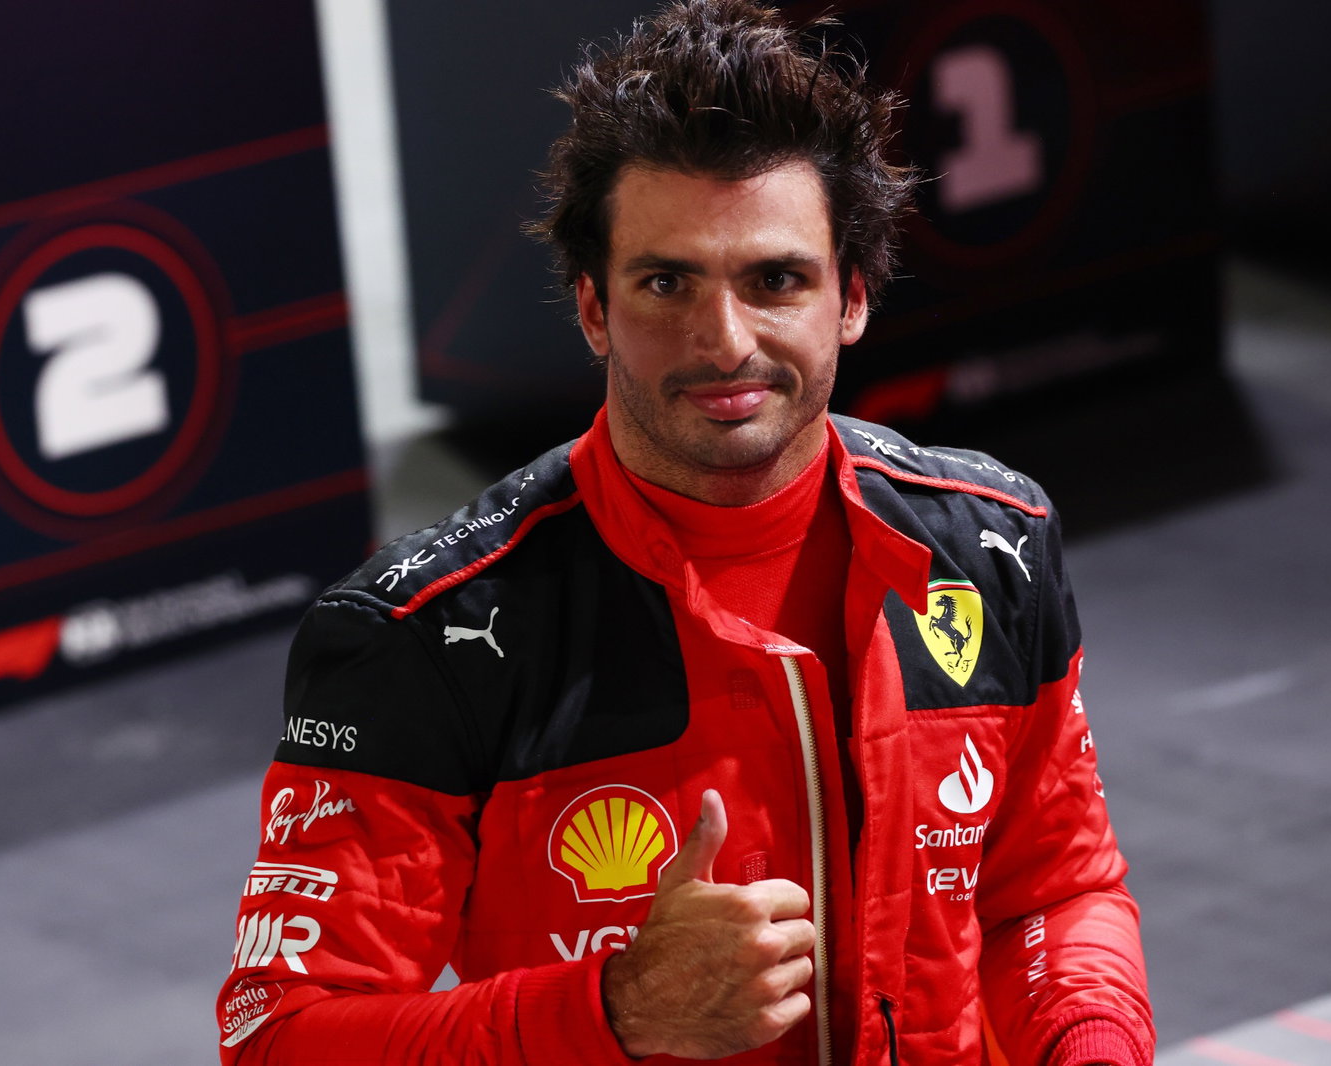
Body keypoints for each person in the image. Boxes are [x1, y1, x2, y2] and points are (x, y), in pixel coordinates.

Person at [215, 1, 1155, 1062]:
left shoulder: (994, 543)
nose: (723, 341)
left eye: (774, 280)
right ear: (592, 310)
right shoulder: (419, 640)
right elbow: (277, 1036)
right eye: (666, 283)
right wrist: (611, 1010)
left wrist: (1090, 1042)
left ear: (850, 295)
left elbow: (1049, 892)